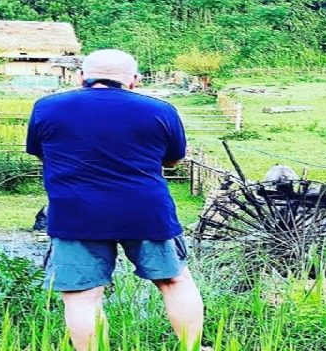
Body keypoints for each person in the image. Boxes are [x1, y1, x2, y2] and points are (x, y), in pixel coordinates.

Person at [26, 49, 205, 351]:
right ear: (135, 80)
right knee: (173, 281)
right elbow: (173, 160)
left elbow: (41, 153)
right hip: (146, 211)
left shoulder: (47, 108)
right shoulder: (160, 110)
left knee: (82, 295)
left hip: (75, 213)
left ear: (81, 77)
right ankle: (193, 347)